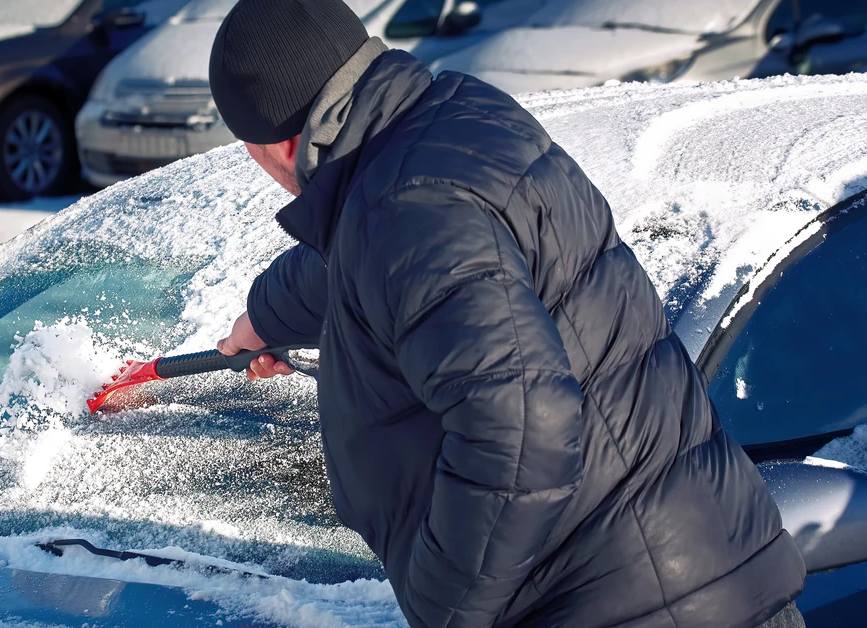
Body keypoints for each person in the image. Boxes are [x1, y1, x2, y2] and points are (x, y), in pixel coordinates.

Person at [208, 0, 809, 626]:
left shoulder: (403, 209)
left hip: (623, 603)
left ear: (274, 145)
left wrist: (446, 611)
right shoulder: (449, 123)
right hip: (689, 577)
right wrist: (262, 318)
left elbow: (522, 429)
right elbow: (368, 258)